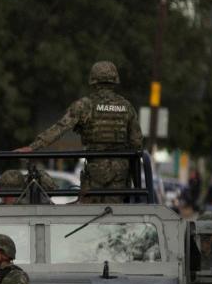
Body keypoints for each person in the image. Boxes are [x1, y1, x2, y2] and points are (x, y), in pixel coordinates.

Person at [19, 61, 143, 199]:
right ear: (115, 80)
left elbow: (60, 128)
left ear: (93, 81)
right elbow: (137, 143)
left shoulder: (84, 105)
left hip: (96, 172)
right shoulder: (127, 106)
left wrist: (32, 148)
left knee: (92, 214)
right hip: (121, 175)